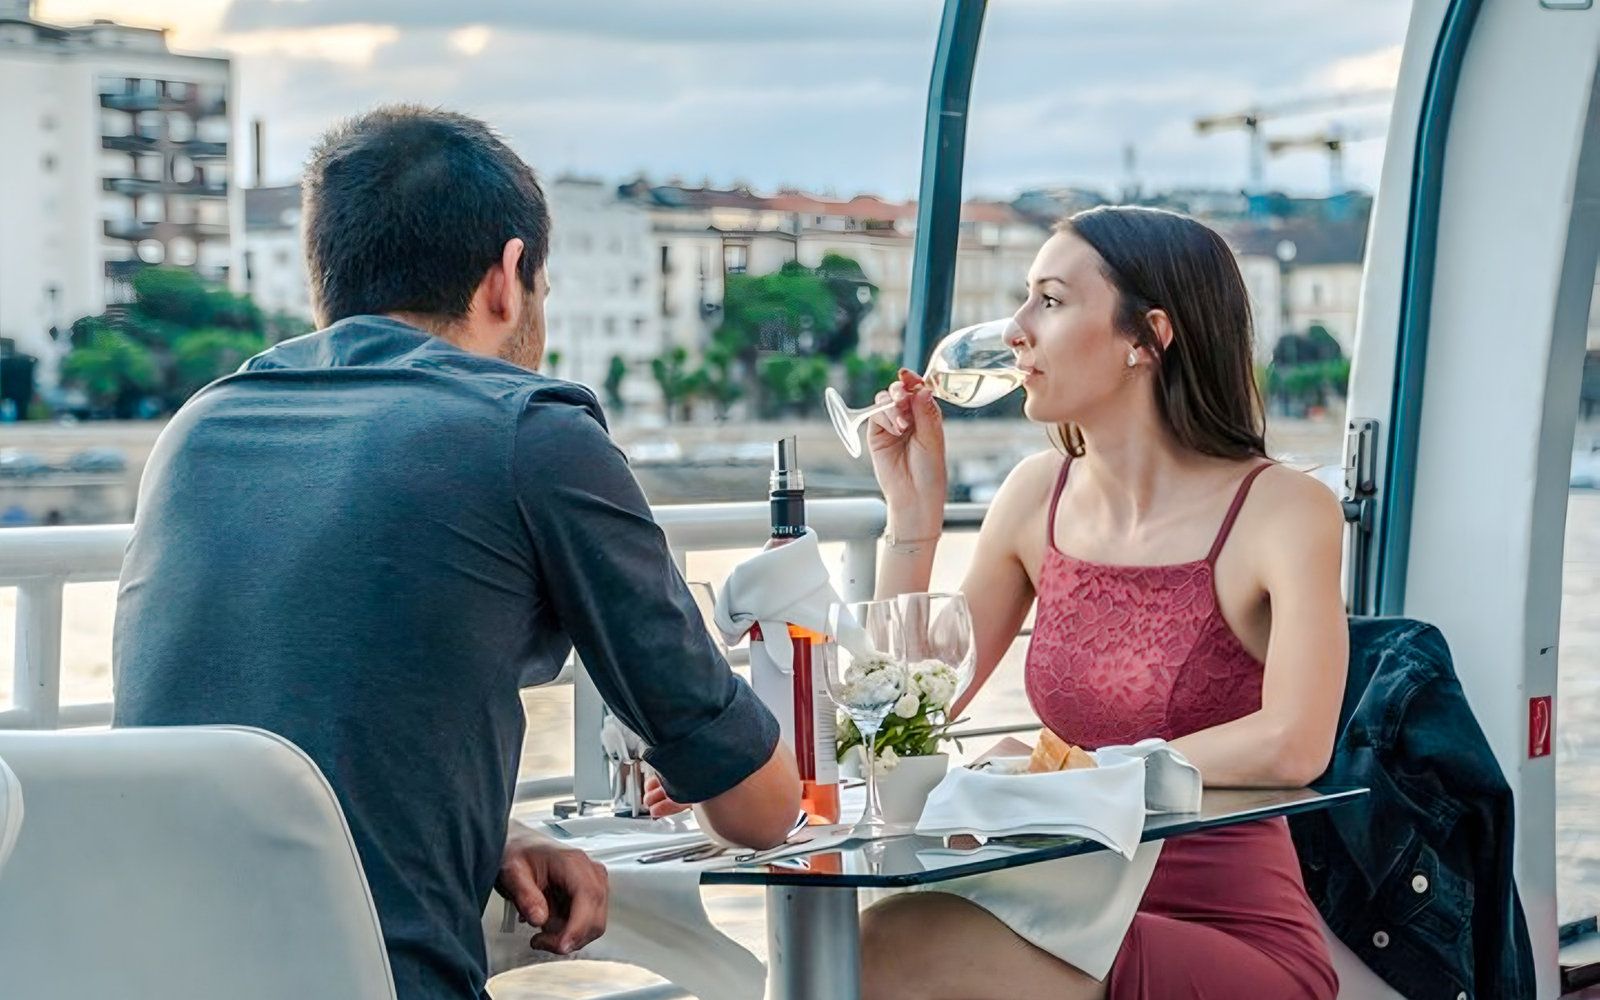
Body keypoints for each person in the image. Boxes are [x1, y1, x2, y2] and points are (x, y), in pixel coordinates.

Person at [112, 105, 800, 1000]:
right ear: (509, 277)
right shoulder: (528, 431)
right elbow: (759, 810)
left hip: (143, 966)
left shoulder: (201, 426)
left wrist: (493, 833)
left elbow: (275, 720)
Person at [858, 206, 1348, 1000]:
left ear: (1146, 338)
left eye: (1049, 301)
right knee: (862, 944)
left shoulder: (1283, 509)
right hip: (1058, 901)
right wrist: (912, 527)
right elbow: (899, 721)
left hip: (1225, 933)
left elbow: (1296, 743)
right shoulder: (1031, 499)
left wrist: (1074, 779)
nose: (1016, 330)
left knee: (889, 944)